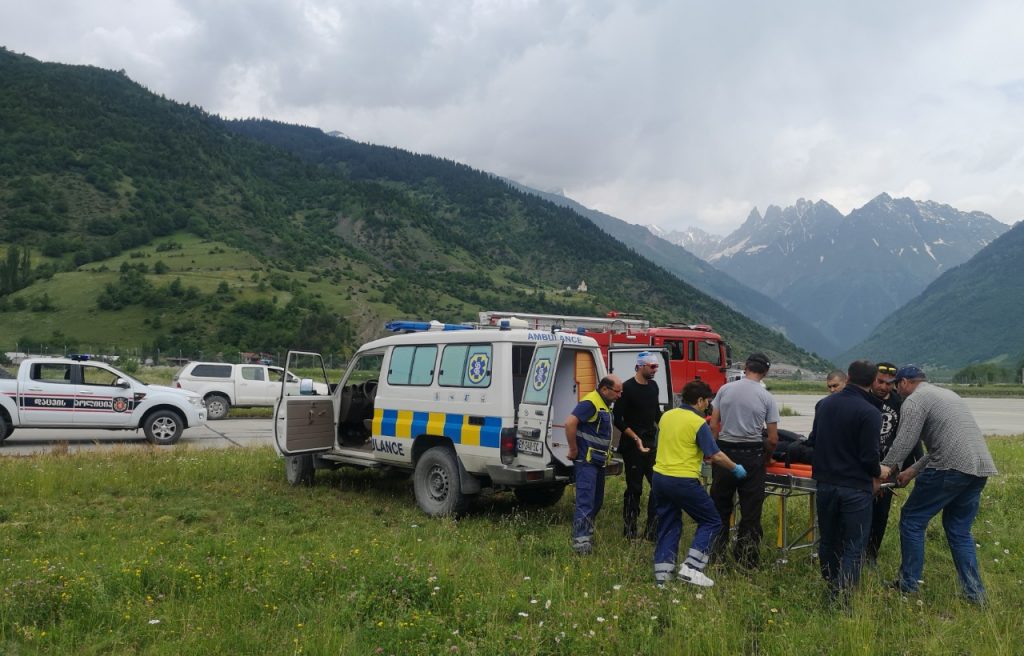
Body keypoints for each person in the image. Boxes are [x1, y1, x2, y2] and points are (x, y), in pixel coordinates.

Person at [880, 365, 998, 604]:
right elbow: (943, 443)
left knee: (912, 520)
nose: (893, 389)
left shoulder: (914, 400)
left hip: (949, 468)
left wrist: (885, 468)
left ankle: (907, 585)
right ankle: (975, 594)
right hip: (978, 468)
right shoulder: (947, 395)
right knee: (959, 530)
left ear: (904, 383)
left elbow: (905, 440)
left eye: (895, 384)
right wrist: (912, 471)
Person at [652, 381, 747, 587]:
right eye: (707, 402)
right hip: (682, 480)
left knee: (668, 524)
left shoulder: (667, 416)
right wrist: (735, 468)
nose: (708, 406)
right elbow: (716, 454)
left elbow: (664, 443)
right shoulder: (697, 422)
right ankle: (692, 567)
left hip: (660, 477)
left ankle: (663, 579)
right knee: (712, 521)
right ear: (700, 401)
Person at [810, 360, 883, 604]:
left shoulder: (824, 404)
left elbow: (814, 441)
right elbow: (869, 455)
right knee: (854, 543)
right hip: (855, 487)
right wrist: (877, 474)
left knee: (829, 538)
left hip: (825, 484)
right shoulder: (870, 412)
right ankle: (842, 597)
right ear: (873, 382)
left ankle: (830, 583)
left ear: (848, 377)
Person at [709, 352, 780, 569]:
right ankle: (746, 560)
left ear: (745, 367)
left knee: (720, 507)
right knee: (750, 512)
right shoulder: (766, 397)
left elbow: (713, 425)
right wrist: (767, 457)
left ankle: (715, 557)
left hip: (725, 454)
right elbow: (773, 438)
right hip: (752, 456)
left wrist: (714, 452)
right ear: (765, 371)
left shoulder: (724, 389)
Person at [865, 362, 922, 564]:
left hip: (889, 467)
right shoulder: (864, 399)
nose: (884, 387)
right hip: (863, 465)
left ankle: (871, 554)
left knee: (881, 513)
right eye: (880, 382)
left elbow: (911, 436)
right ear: (872, 380)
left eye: (889, 383)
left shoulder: (901, 403)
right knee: (860, 510)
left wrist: (914, 466)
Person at [565, 375, 624, 555]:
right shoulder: (590, 402)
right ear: (605, 389)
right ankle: (580, 543)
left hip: (598, 462)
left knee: (596, 501)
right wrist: (573, 449)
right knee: (586, 501)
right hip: (586, 461)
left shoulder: (604, 404)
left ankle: (587, 534)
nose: (619, 395)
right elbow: (570, 423)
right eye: (617, 391)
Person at [613, 352, 661, 540]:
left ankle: (652, 531)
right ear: (641, 366)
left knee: (657, 485)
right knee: (635, 489)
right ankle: (630, 531)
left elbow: (657, 413)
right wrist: (634, 437)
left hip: (650, 442)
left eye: (657, 366)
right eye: (652, 366)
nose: (655, 370)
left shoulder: (654, 386)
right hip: (632, 445)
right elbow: (617, 418)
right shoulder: (627, 388)